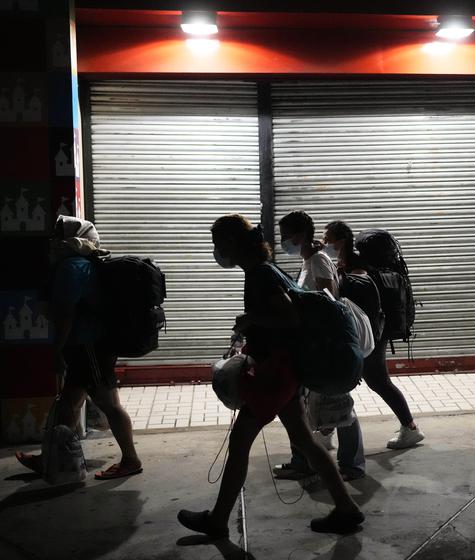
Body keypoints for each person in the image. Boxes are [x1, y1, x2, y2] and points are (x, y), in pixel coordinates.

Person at [178, 214, 364, 537]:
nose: (216, 252)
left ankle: (218, 521)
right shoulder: (265, 270)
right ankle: (346, 507)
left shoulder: (260, 274)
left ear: (232, 244)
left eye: (217, 245)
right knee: (305, 441)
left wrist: (252, 321)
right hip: (284, 370)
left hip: (275, 373)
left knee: (240, 441)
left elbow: (289, 319)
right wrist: (253, 323)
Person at [15, 216, 142, 480]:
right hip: (87, 345)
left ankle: (131, 459)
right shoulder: (79, 263)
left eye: (58, 234)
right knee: (70, 403)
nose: (53, 240)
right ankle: (51, 459)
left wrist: (56, 349)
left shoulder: (72, 267)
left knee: (107, 403)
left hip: (89, 346)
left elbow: (66, 314)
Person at [271, 211, 367, 482]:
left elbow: (329, 300)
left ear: (300, 235)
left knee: (339, 404)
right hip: (311, 345)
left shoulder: (318, 260)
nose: (283, 241)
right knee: (309, 404)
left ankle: (351, 464)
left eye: (285, 235)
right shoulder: (308, 261)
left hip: (325, 346)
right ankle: (305, 460)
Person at [323, 220, 425, 449]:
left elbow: (360, 300)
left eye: (328, 239)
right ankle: (326, 431)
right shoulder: (350, 261)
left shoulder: (358, 264)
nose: (325, 243)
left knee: (372, 380)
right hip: (372, 331)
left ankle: (410, 429)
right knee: (365, 381)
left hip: (371, 332)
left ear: (341, 240)